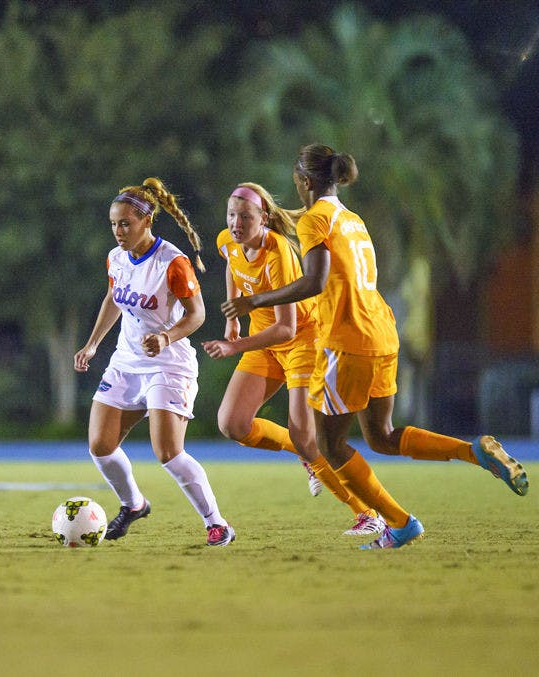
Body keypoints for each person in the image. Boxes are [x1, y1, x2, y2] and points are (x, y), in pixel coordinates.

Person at [221, 144, 529, 550]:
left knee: (327, 445)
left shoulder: (315, 220)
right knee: (381, 436)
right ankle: (473, 451)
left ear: (305, 182)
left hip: (347, 342)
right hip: (382, 333)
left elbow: (313, 282)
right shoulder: (352, 219)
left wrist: (254, 301)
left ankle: (398, 523)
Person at [203, 182, 385, 536]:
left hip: (302, 339)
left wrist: (235, 347)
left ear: (264, 218)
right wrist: (231, 318)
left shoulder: (279, 254)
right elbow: (232, 267)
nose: (236, 223)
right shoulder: (227, 240)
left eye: (245, 216)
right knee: (232, 424)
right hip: (263, 340)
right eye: (231, 215)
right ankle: (306, 455)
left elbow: (286, 329)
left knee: (305, 433)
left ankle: (368, 513)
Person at [74, 177, 234, 547]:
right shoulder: (116, 257)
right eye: (114, 223)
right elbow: (114, 298)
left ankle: (217, 523)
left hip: (168, 363)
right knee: (100, 445)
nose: (118, 231)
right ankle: (133, 505)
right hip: (126, 362)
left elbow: (196, 315)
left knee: (167, 452)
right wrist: (92, 344)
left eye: (126, 223)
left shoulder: (172, 262)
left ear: (147, 222)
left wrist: (165, 337)